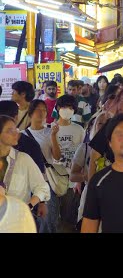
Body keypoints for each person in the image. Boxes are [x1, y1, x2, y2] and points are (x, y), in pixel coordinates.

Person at [0, 115, 50, 224]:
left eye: (16, 129)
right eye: (10, 130)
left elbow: (42, 187)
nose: (16, 133)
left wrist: (29, 205)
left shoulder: (23, 159)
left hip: (17, 222)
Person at [23, 99, 59, 233]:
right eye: (38, 109)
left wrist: (54, 137)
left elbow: (56, 156)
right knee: (33, 217)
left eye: (44, 110)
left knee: (49, 217)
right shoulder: (22, 135)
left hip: (47, 179)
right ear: (31, 113)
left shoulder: (50, 132)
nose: (42, 113)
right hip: (29, 181)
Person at [52, 94, 86, 232]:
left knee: (69, 217)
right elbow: (54, 156)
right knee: (53, 217)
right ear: (58, 108)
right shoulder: (51, 128)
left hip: (72, 181)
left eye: (71, 107)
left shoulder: (79, 129)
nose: (67, 110)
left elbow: (83, 155)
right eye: (64, 106)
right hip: (54, 178)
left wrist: (79, 180)